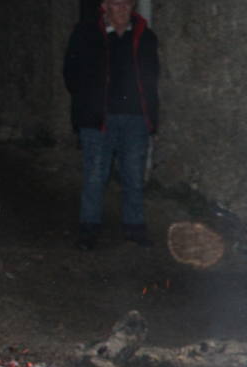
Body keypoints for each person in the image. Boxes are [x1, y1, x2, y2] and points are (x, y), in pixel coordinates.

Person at [62, 0, 159, 251]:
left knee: (134, 177)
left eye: (128, 3)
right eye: (117, 3)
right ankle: (89, 229)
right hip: (98, 119)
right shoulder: (85, 34)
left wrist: (150, 113)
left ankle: (134, 229)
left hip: (135, 118)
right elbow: (70, 73)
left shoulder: (145, 36)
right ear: (105, 6)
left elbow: (151, 76)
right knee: (95, 176)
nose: (123, 9)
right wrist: (88, 102)